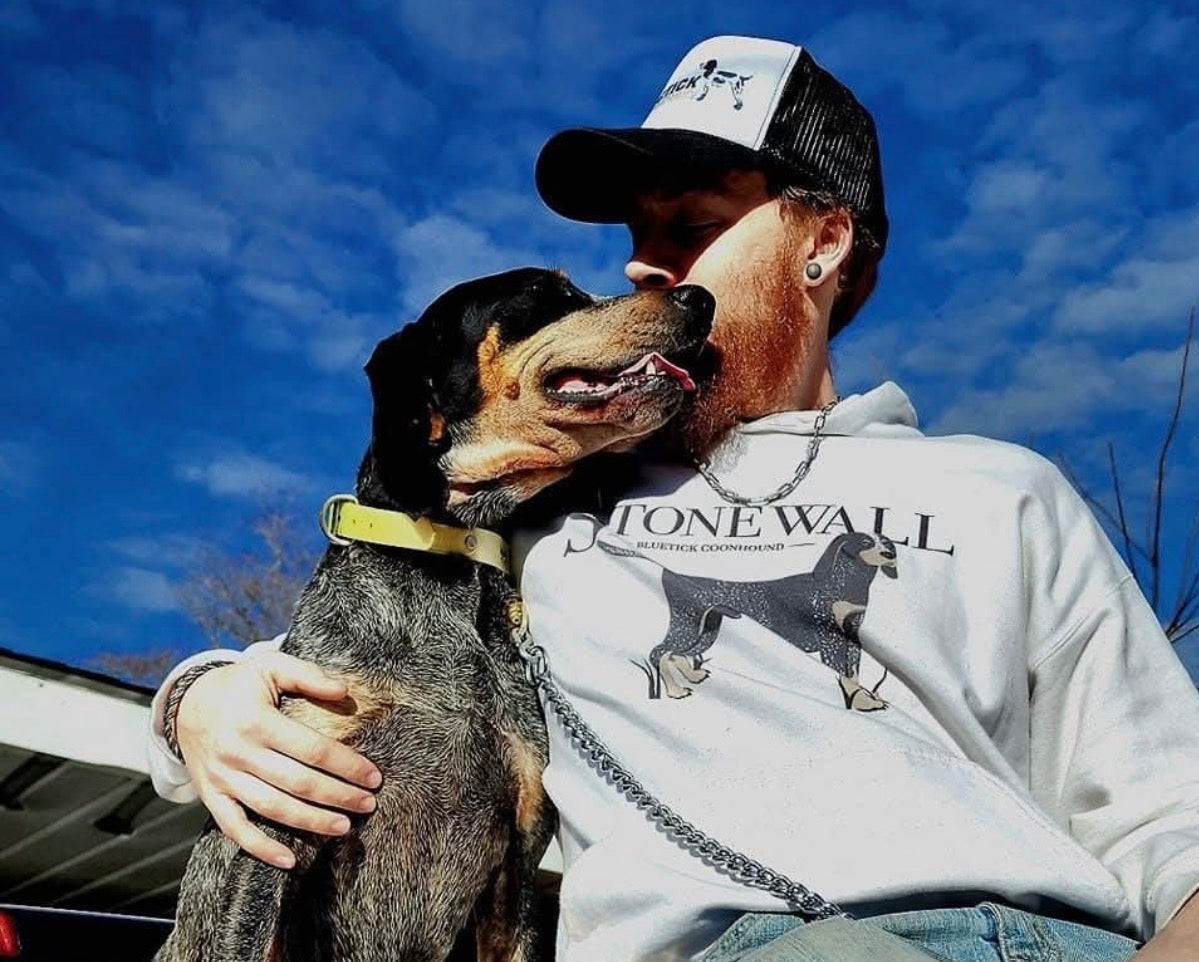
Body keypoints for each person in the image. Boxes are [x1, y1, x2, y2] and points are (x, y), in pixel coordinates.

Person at [147, 36, 1199, 962]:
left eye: (692, 225)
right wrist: (196, 702)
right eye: (639, 233)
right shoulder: (551, 499)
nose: (642, 265)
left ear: (820, 243)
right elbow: (367, 640)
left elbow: (1169, 810)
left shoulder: (1002, 489)